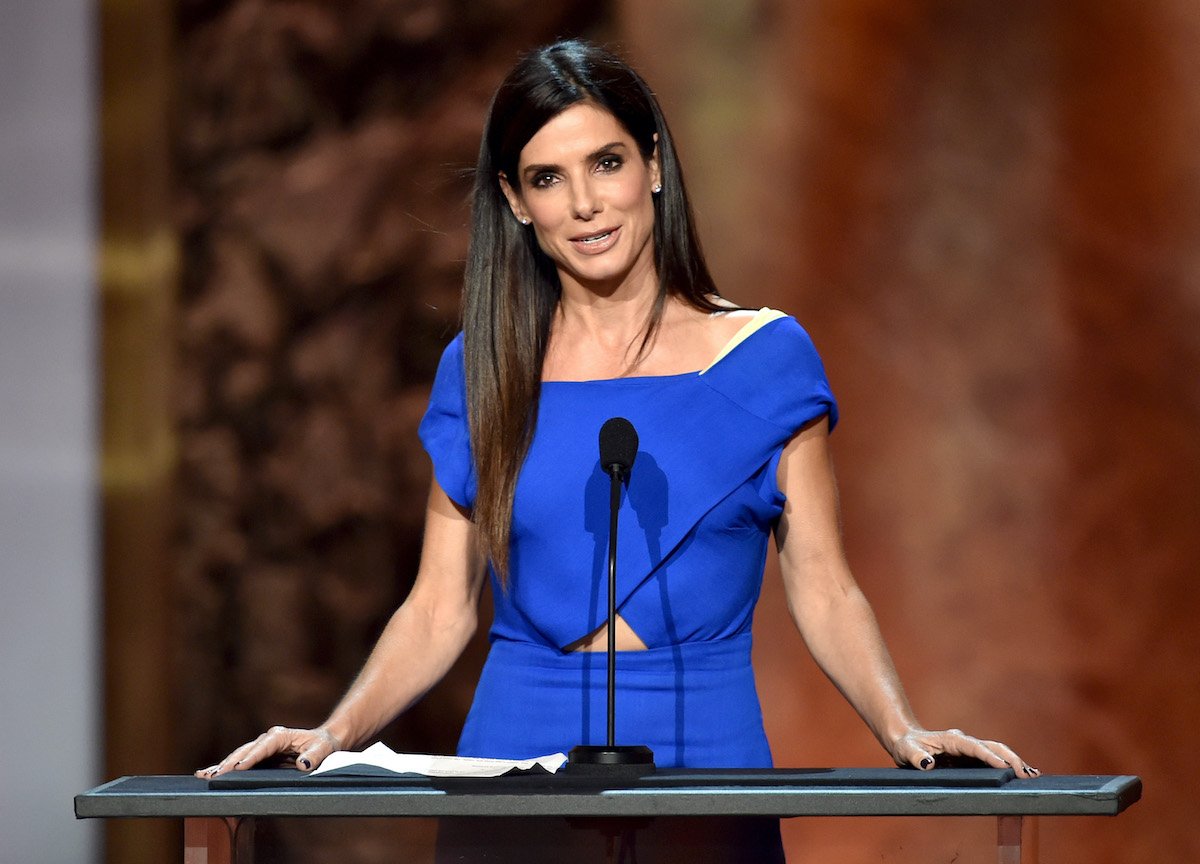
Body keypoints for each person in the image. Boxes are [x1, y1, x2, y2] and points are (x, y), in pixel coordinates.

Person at [198, 38, 1036, 861]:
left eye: (606, 163)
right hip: (513, 755)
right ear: (517, 202)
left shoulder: (766, 361)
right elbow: (437, 606)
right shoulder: (482, 369)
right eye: (547, 179)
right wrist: (332, 734)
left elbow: (821, 582)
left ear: (655, 167)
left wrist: (903, 729)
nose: (585, 205)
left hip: (699, 750)